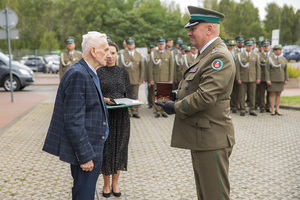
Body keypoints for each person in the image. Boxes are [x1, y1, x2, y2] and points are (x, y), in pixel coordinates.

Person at [157, 6, 235, 200]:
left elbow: (205, 97)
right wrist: (176, 94)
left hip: (212, 139)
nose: (189, 33)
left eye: (193, 28)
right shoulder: (206, 54)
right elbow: (196, 86)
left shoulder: (219, 57)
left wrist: (174, 107)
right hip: (202, 137)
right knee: (205, 194)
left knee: (214, 195)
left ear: (209, 29)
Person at [42, 31, 110, 200]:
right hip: (88, 152)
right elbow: (74, 120)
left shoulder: (88, 72)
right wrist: (85, 155)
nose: (109, 54)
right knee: (84, 196)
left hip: (93, 148)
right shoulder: (79, 74)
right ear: (94, 51)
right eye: (106, 49)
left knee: (84, 193)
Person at [97, 40, 138, 198]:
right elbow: (94, 94)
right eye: (107, 52)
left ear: (117, 54)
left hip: (121, 117)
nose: (109, 56)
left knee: (120, 150)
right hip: (105, 116)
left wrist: (136, 102)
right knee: (106, 151)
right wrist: (104, 99)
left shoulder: (123, 72)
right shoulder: (98, 72)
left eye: (113, 53)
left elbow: (129, 93)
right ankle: (106, 185)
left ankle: (115, 183)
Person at [118, 37, 144, 118]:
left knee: (135, 95)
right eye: (129, 44)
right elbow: (119, 67)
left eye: (132, 44)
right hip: (125, 80)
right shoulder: (122, 54)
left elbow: (142, 68)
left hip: (136, 79)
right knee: (126, 96)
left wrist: (141, 79)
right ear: (127, 45)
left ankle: (135, 111)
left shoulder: (138, 54)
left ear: (134, 45)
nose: (130, 45)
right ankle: (128, 111)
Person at [148, 37, 174, 118]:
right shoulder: (153, 53)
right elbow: (150, 67)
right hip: (156, 78)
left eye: (162, 44)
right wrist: (151, 79)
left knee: (165, 95)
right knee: (157, 95)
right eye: (159, 44)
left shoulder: (169, 53)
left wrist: (171, 78)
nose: (161, 45)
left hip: (166, 77)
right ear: (157, 45)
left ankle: (164, 111)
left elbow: (171, 67)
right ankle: (158, 111)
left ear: (165, 44)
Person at [236, 39, 261, 116]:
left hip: (253, 78)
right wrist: (238, 78)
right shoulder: (240, 55)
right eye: (248, 46)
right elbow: (237, 68)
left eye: (251, 46)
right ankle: (242, 110)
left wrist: (258, 77)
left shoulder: (256, 55)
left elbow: (258, 68)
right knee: (242, 94)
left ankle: (252, 109)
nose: (250, 47)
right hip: (243, 78)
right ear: (245, 46)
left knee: (252, 95)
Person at [265, 44, 289, 115]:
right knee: (272, 94)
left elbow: (285, 70)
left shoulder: (283, 59)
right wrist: (268, 79)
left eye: (281, 50)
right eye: (279, 50)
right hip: (272, 79)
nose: (281, 51)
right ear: (275, 51)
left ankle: (277, 109)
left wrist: (286, 79)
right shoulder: (269, 58)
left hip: (280, 79)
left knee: (279, 94)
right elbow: (267, 70)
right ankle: (272, 109)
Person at [258, 39, 273, 113]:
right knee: (261, 93)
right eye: (265, 46)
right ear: (263, 47)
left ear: (270, 46)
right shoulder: (259, 55)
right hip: (262, 77)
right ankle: (262, 107)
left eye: (267, 46)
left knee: (270, 93)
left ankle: (268, 106)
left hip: (270, 78)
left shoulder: (272, 55)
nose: (266, 47)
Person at [145, 43, 156, 109]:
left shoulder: (155, 55)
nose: (151, 49)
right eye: (150, 48)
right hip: (149, 75)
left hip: (154, 75)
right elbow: (146, 67)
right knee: (149, 91)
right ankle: (150, 103)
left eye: (153, 48)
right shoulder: (147, 56)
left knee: (153, 91)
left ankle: (154, 105)